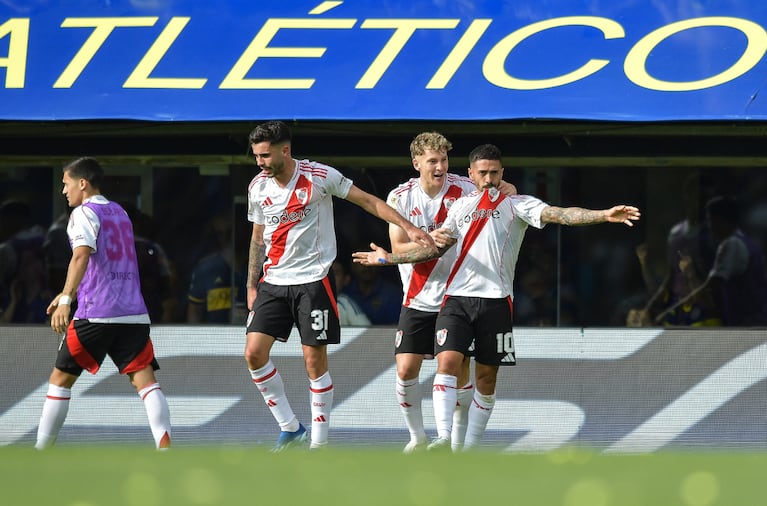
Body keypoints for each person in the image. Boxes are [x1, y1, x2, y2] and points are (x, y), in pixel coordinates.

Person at [353, 144, 640, 451]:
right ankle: (445, 437)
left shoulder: (518, 204)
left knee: (486, 382)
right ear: (471, 175)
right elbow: (433, 249)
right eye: (482, 173)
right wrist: (387, 260)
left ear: (502, 174)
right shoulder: (460, 207)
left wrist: (603, 215)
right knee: (447, 362)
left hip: (496, 301)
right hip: (457, 299)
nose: (488, 179)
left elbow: (561, 215)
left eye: (493, 173)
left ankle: (469, 450)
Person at [244, 120, 435, 451]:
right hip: (273, 282)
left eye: (264, 155)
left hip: (313, 281)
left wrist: (409, 227)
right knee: (254, 354)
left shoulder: (319, 177)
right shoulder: (257, 187)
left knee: (313, 361)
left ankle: (319, 445)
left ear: (285, 150)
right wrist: (250, 283)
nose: (260, 162)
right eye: (257, 156)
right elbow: (258, 237)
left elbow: (368, 201)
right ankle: (290, 428)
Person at [384, 131, 517, 452]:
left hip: (457, 295)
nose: (440, 166)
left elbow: (502, 190)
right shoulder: (400, 197)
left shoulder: (465, 188)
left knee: (458, 370)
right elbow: (398, 246)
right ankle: (417, 437)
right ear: (417, 163)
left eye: (443, 159)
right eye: (432, 161)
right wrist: (433, 242)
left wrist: (507, 188)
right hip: (417, 295)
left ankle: (455, 445)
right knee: (405, 369)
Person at [35, 157, 171, 450]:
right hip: (133, 313)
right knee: (146, 383)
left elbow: (82, 255)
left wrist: (67, 300)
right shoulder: (120, 212)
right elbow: (105, 263)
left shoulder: (83, 213)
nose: (63, 191)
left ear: (82, 183)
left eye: (66, 183)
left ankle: (40, 452)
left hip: (96, 312)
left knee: (60, 379)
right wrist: (65, 291)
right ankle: (165, 448)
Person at [655, 196, 767, 326]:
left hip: (747, 325)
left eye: (710, 220)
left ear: (720, 220)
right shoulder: (747, 242)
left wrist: (669, 311)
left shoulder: (731, 244)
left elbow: (711, 286)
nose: (709, 226)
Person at [187, 213, 247, 323]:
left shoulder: (258, 267)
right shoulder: (206, 269)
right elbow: (194, 311)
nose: (226, 238)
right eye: (220, 233)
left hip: (251, 335)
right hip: (214, 335)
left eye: (230, 233)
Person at [331, 259, 371, 326]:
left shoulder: (344, 302)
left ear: (346, 279)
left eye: (335, 273)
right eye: (327, 274)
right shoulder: (312, 301)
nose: (330, 277)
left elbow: (367, 332)